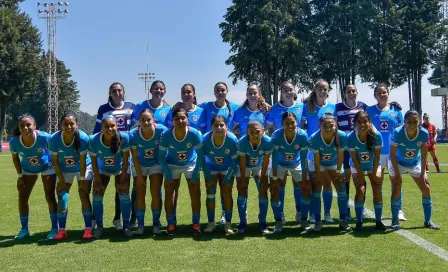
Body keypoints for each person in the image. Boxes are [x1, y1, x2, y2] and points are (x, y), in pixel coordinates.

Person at [389, 110, 440, 230]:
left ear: (419, 122)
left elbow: (423, 155)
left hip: (414, 163)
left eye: (415, 121)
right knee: (396, 187)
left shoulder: (424, 133)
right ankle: (395, 221)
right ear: (404, 122)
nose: (412, 124)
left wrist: (423, 174)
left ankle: (428, 221)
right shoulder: (397, 133)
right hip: (397, 162)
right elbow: (392, 155)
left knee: (426, 188)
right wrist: (397, 175)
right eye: (409, 121)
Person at [93, 82, 135, 230]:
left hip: (124, 149)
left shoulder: (131, 106)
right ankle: (96, 223)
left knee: (122, 187)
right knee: (99, 188)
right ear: (110, 93)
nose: (117, 93)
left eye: (119, 90)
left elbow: (135, 127)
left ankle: (119, 219)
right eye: (114, 91)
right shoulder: (103, 109)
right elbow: (97, 130)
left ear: (124, 92)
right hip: (105, 151)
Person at [10, 114, 58, 240]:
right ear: (19, 127)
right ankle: (24, 229)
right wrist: (20, 176)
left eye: (28, 125)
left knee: (49, 195)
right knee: (22, 196)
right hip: (27, 169)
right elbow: (15, 158)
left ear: (35, 126)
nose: (25, 128)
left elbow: (55, 151)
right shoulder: (14, 141)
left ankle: (54, 228)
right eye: (22, 125)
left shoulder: (45, 137)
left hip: (47, 167)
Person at [49, 113, 94, 240]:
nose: (68, 126)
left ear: (76, 124)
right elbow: (56, 162)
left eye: (71, 124)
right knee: (62, 196)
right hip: (64, 169)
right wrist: (61, 181)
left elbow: (83, 160)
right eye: (65, 124)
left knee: (83, 193)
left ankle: (88, 229)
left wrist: (82, 180)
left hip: (82, 167)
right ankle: (62, 230)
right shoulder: (54, 139)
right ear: (61, 125)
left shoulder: (84, 138)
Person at [158, 108, 203, 236]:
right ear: (173, 121)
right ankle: (171, 224)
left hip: (190, 164)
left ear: (188, 119)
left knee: (195, 191)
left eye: (183, 118)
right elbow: (161, 156)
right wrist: (167, 173)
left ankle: (196, 223)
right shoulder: (166, 135)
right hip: (172, 165)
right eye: (177, 119)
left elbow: (200, 154)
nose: (180, 121)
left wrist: (195, 173)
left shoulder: (194, 133)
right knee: (169, 192)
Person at [366, 83, 406, 221]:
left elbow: (402, 131)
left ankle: (399, 210)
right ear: (375, 96)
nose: (382, 95)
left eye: (384, 92)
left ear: (388, 93)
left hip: (393, 153)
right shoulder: (369, 111)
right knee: (378, 181)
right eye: (379, 93)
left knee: (396, 181)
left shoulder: (396, 110)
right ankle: (379, 209)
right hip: (376, 153)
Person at [265, 82, 304, 224]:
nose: (288, 92)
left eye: (290, 89)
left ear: (294, 91)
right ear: (281, 92)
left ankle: (300, 213)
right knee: (278, 185)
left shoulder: (302, 107)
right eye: (285, 90)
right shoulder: (274, 108)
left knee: (298, 185)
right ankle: (280, 215)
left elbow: (304, 126)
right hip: (280, 153)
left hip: (297, 154)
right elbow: (268, 126)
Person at [89, 115, 132, 238]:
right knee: (97, 195)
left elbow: (125, 160)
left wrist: (123, 179)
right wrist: (97, 180)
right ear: (101, 128)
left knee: (123, 193)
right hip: (102, 169)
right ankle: (99, 226)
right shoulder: (94, 139)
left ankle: (126, 226)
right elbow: (93, 162)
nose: (109, 128)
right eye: (106, 126)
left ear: (117, 126)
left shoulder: (124, 138)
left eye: (112, 126)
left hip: (120, 169)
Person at [308, 113, 351, 231]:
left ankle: (343, 221)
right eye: (324, 126)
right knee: (316, 190)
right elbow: (317, 160)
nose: (328, 129)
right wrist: (318, 175)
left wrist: (338, 171)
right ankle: (317, 221)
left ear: (336, 125)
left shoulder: (342, 136)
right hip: (317, 163)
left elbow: (341, 155)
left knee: (341, 190)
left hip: (334, 162)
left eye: (331, 126)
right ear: (319, 126)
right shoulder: (314, 138)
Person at [302, 79, 336, 223]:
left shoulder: (333, 107)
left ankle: (327, 214)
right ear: (315, 90)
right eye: (320, 89)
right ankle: (312, 214)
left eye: (325, 89)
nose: (322, 91)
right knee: (314, 185)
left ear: (328, 91)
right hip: (311, 152)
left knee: (327, 184)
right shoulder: (306, 107)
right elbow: (302, 128)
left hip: (328, 152)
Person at [129, 109, 168, 235]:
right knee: (140, 192)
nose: (145, 122)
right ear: (139, 121)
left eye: (148, 119)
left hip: (156, 163)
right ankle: (140, 225)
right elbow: (134, 157)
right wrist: (139, 177)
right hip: (139, 164)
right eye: (142, 120)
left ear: (153, 120)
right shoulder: (133, 134)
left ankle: (156, 223)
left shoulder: (161, 130)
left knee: (155, 191)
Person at [200, 115, 238, 234]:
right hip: (211, 168)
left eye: (222, 125)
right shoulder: (205, 139)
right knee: (210, 194)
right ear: (211, 127)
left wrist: (228, 176)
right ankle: (211, 223)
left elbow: (234, 160)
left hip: (227, 168)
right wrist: (207, 173)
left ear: (226, 126)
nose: (219, 127)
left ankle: (228, 223)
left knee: (226, 193)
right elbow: (201, 158)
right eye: (216, 125)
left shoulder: (232, 139)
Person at [271, 112, 309, 232]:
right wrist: (275, 176)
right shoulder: (276, 135)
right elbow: (275, 157)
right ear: (282, 124)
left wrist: (304, 175)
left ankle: (301, 216)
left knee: (304, 188)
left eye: (292, 122)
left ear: (297, 123)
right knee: (277, 188)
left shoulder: (302, 135)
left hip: (297, 163)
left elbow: (303, 157)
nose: (290, 125)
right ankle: (279, 218)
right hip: (280, 164)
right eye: (286, 123)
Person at [347, 111, 385, 231]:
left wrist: (374, 174)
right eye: (359, 122)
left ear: (369, 122)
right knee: (360, 189)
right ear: (355, 124)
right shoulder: (351, 137)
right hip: (357, 165)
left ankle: (378, 221)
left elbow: (377, 156)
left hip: (373, 164)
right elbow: (353, 158)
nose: (362, 124)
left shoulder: (376, 135)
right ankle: (359, 221)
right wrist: (361, 177)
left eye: (365, 121)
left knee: (377, 187)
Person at [335, 84, 368, 220]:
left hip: (359, 147)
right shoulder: (337, 107)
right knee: (346, 176)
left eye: (353, 91)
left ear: (357, 92)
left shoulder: (363, 106)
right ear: (345, 93)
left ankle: (362, 207)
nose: (351, 93)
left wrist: (392, 105)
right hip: (345, 148)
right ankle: (347, 207)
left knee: (361, 176)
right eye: (348, 91)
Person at [235, 120, 272, 234]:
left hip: (259, 166)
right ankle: (242, 222)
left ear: (262, 131)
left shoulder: (267, 141)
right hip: (244, 166)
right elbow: (242, 163)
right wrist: (242, 179)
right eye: (251, 132)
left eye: (257, 131)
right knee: (242, 190)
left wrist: (262, 179)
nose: (255, 135)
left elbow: (266, 162)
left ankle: (262, 223)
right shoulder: (242, 142)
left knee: (263, 190)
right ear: (247, 132)